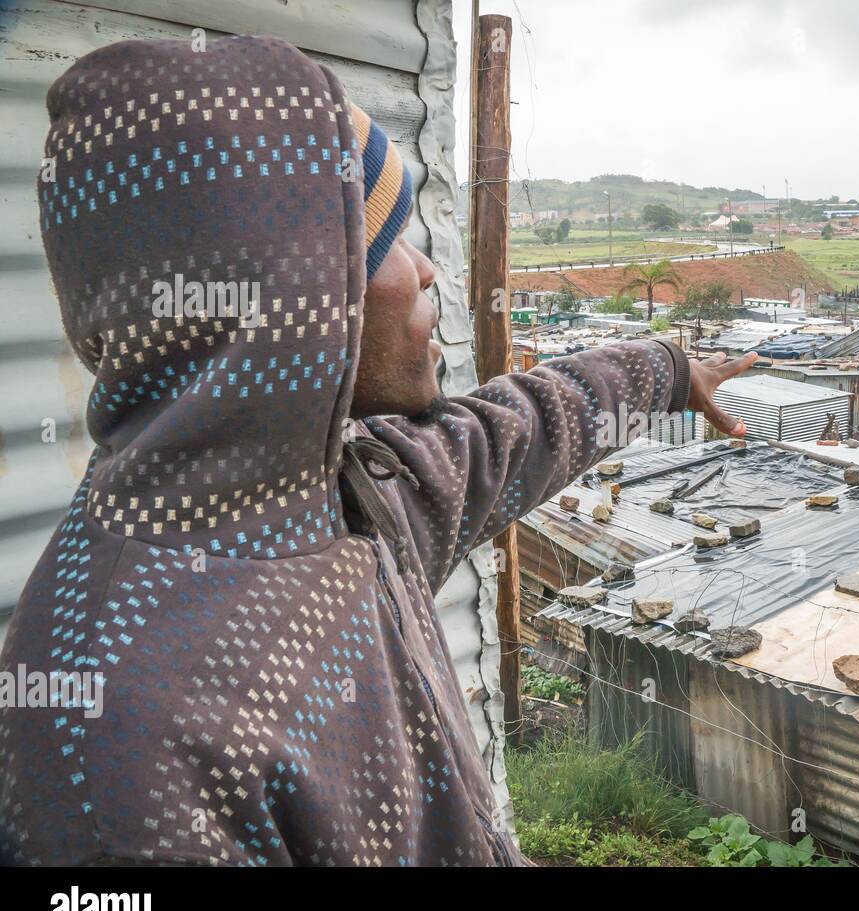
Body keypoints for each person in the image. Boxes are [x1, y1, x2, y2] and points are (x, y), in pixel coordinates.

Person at [0, 34, 754, 866]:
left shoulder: (342, 495)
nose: (427, 270)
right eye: (383, 235)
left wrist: (669, 370)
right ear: (292, 297)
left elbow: (515, 431)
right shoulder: (110, 739)